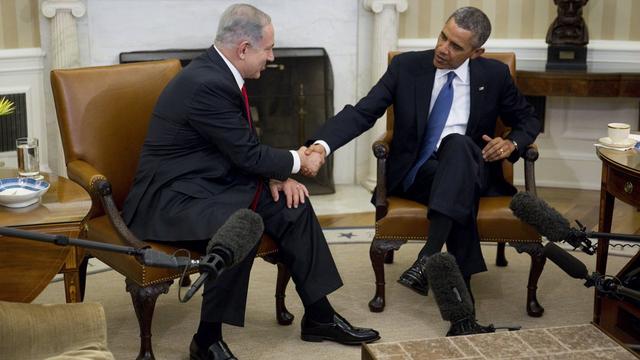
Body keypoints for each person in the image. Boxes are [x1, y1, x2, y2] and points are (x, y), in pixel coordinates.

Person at [121, 4, 379, 360]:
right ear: (243, 48)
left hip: (208, 183)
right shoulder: (208, 84)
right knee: (243, 223)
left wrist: (275, 176)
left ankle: (319, 316)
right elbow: (246, 154)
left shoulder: (220, 73)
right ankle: (206, 340)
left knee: (293, 204)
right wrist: (296, 161)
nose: (272, 57)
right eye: (268, 49)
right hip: (169, 199)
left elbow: (234, 149)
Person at [307, 7, 540, 304]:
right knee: (458, 185)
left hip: (472, 168)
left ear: (477, 51)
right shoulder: (407, 66)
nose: (443, 49)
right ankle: (456, 288)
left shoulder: (494, 75)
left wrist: (512, 144)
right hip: (417, 173)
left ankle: (429, 257)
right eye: (443, 36)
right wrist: (322, 146)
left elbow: (528, 120)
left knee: (457, 145)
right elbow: (363, 112)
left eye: (456, 46)